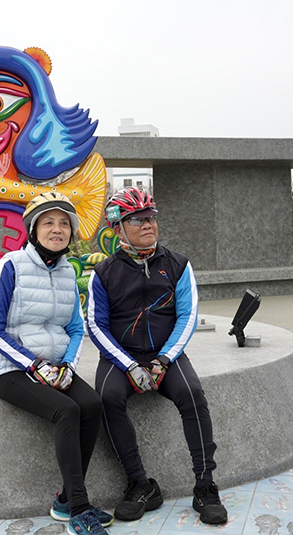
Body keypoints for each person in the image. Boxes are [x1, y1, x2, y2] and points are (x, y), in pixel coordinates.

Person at [86, 186, 228, 525]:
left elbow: (188, 316)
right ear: (117, 228)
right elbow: (95, 323)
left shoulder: (178, 264)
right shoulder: (103, 273)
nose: (148, 224)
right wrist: (129, 365)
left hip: (166, 355)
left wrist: (163, 360)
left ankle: (205, 485)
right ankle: (140, 484)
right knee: (106, 397)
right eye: (136, 219)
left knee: (192, 394)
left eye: (151, 217)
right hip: (122, 357)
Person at [0, 192, 112, 535]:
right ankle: (79, 509)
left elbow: (74, 328)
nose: (57, 229)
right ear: (33, 229)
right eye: (48, 222)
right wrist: (34, 365)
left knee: (92, 403)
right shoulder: (10, 265)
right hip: (10, 369)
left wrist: (68, 365)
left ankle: (66, 499)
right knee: (66, 411)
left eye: (64, 223)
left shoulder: (70, 272)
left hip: (55, 367)